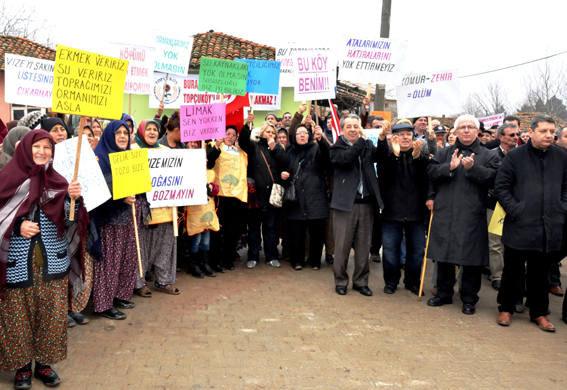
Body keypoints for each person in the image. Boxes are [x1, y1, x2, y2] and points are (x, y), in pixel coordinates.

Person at [0, 130, 86, 388]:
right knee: (17, 317)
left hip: (53, 263)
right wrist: (17, 228)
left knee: (51, 316)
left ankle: (45, 365)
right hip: (17, 263)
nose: (42, 152)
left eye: (48, 147)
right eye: (37, 146)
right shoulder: (5, 180)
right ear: (25, 148)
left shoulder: (59, 181)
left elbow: (69, 222)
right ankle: (23, 368)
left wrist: (73, 200)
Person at [494, 115, 567, 332]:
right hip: (520, 224)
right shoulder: (515, 157)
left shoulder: (561, 156)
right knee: (513, 270)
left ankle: (539, 313)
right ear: (531, 132)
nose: (549, 135)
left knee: (541, 273)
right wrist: (517, 210)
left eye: (551, 131)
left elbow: (566, 187)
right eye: (543, 131)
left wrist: (561, 208)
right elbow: (501, 188)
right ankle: (506, 308)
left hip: (548, 225)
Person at [426, 114, 500, 315]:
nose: (466, 130)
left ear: (477, 131)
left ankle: (468, 298)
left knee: (472, 259)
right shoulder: (445, 153)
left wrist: (474, 169)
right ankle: (443, 294)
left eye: (470, 127)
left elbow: (495, 179)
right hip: (445, 211)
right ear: (455, 132)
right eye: (462, 127)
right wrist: (448, 167)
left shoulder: (489, 155)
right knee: (445, 255)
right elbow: (430, 173)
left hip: (472, 213)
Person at [91, 120, 148, 320]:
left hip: (131, 219)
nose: (123, 136)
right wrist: (120, 197)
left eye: (126, 132)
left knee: (128, 258)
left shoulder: (130, 157)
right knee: (110, 263)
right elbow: (97, 195)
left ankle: (120, 295)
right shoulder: (101, 159)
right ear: (109, 136)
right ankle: (104, 304)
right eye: (118, 133)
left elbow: (140, 184)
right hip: (111, 221)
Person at [330, 114, 383, 296]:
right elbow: (347, 159)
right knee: (342, 245)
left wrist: (381, 140)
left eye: (356, 126)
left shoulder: (367, 145)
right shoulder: (337, 147)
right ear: (343, 130)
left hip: (367, 203)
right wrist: (362, 140)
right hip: (345, 205)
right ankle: (341, 280)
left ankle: (361, 281)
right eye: (349, 126)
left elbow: (380, 157)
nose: (353, 129)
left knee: (363, 246)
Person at [376, 123, 429, 295]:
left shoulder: (421, 157)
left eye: (409, 134)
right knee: (390, 252)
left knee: (416, 253)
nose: (405, 137)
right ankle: (391, 281)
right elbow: (384, 178)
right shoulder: (388, 157)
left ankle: (413, 282)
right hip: (392, 213)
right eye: (400, 134)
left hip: (416, 214)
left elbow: (426, 180)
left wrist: (417, 157)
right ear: (394, 138)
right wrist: (396, 156)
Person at [132, 119, 179, 296]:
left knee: (165, 249)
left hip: (165, 209)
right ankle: (140, 283)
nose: (152, 132)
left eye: (154, 129)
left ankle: (163, 281)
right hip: (142, 211)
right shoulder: (132, 151)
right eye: (148, 129)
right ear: (142, 131)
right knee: (140, 249)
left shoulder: (166, 151)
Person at [281, 124, 332, 270]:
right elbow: (283, 168)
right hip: (296, 198)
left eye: (304, 132)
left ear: (309, 135)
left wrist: (322, 139)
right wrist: (283, 175)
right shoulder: (290, 151)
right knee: (296, 234)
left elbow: (329, 162)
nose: (302, 135)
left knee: (317, 233)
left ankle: (315, 260)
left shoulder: (317, 149)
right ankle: (297, 260)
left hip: (315, 197)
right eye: (299, 133)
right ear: (294, 136)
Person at [239, 120, 288, 269]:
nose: (271, 135)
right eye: (268, 132)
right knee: (254, 228)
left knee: (270, 228)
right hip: (256, 196)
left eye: (273, 132)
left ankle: (271, 256)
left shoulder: (278, 148)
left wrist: (275, 149)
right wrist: (247, 126)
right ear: (262, 133)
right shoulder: (254, 147)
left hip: (271, 196)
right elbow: (242, 141)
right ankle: (252, 257)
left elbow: (285, 162)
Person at [208, 126, 249, 271]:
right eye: (228, 134)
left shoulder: (242, 152)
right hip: (220, 197)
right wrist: (217, 146)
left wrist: (247, 125)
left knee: (232, 232)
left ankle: (228, 260)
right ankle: (215, 261)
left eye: (233, 135)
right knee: (217, 231)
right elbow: (209, 162)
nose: (230, 137)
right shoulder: (214, 146)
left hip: (236, 197)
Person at [486, 122, 519, 293]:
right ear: (501, 137)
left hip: (517, 207)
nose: (515, 138)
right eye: (511, 135)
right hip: (495, 206)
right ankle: (497, 276)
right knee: (496, 243)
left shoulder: (524, 155)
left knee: (514, 244)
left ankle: (512, 275)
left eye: (517, 134)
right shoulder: (490, 155)